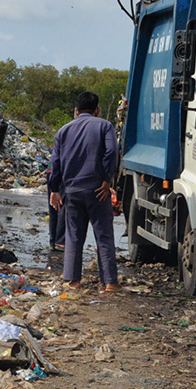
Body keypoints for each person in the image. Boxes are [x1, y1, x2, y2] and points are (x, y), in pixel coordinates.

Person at [48, 91, 121, 292]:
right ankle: (110, 282)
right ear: (97, 110)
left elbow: (55, 163)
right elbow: (112, 152)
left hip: (71, 190)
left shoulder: (63, 131)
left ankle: (73, 280)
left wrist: (55, 189)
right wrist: (107, 180)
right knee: (104, 235)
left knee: (73, 236)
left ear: (75, 111)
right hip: (98, 190)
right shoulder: (104, 126)